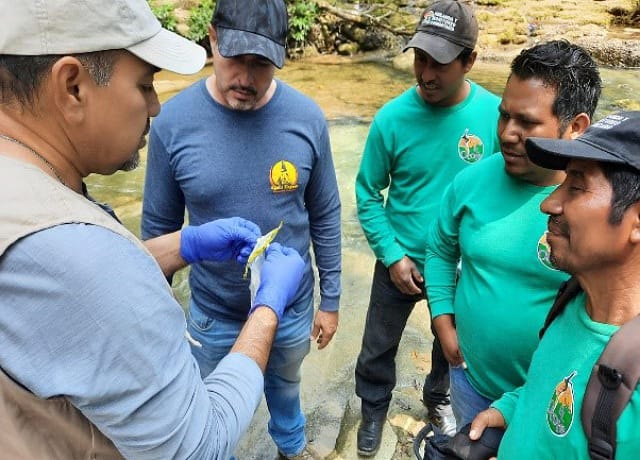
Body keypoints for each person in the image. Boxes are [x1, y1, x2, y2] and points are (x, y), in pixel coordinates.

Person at [0, 0, 306, 459]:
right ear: (72, 86)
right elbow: (201, 445)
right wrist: (267, 307)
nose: (156, 105)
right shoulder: (80, 256)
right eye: (144, 84)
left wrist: (183, 244)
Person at [140, 0, 341, 458]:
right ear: (212, 38)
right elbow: (159, 228)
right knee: (208, 416)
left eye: (262, 64)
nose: (246, 80)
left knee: (286, 390)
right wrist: (159, 314)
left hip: (291, 309)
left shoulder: (306, 118)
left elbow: (327, 214)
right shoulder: (173, 122)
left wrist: (330, 301)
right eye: (235, 59)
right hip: (213, 314)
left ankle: (292, 447)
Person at [425, 39, 601, 434]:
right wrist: (442, 320)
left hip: (551, 401)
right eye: (504, 116)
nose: (507, 133)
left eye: (527, 122)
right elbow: (438, 249)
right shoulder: (470, 182)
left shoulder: (599, 212)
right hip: (470, 381)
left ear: (575, 127)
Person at [354, 0, 500, 455]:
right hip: (400, 260)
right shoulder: (391, 120)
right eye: (420, 58)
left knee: (450, 347)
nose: (425, 73)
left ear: (469, 61)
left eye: (439, 62)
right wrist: (391, 255)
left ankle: (437, 399)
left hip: (461, 268)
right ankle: (373, 409)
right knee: (378, 346)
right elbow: (366, 194)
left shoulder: (496, 118)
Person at [469, 111, 640, 458]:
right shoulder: (573, 299)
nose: (549, 203)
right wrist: (510, 411)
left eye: (576, 186)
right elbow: (547, 386)